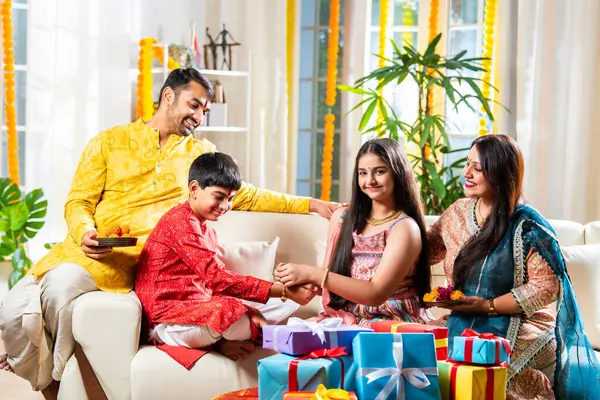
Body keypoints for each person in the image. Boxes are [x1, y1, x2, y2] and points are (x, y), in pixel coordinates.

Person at [0, 68, 339, 397]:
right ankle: (40, 372)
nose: (199, 116)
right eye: (194, 105)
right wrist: (86, 230)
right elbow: (78, 202)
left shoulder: (198, 154)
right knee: (12, 312)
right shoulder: (109, 141)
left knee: (58, 292)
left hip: (129, 267)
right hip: (86, 252)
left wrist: (311, 204)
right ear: (168, 96)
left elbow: (247, 194)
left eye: (205, 110)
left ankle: (54, 385)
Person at [427, 134, 600, 399]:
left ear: (499, 173)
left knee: (489, 367)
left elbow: (546, 287)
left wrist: (488, 306)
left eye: (478, 167)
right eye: (467, 163)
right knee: (428, 360)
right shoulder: (458, 213)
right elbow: (423, 250)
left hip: (524, 322)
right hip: (463, 317)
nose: (467, 173)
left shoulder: (528, 225)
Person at [135, 152, 314, 362]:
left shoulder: (208, 232)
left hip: (198, 308)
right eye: (218, 197)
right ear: (194, 189)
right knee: (237, 314)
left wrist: (253, 307)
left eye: (230, 199)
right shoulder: (180, 222)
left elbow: (214, 288)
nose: (224, 206)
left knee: (286, 304)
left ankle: (230, 335)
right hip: (167, 320)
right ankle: (226, 339)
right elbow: (217, 278)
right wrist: (283, 290)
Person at [275, 138, 433, 326]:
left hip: (390, 323)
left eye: (380, 171)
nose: (370, 180)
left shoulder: (404, 228)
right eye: (363, 173)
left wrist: (312, 274)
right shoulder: (342, 218)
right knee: (292, 342)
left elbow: (375, 294)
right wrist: (294, 277)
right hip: (344, 319)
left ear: (397, 173)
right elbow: (327, 279)